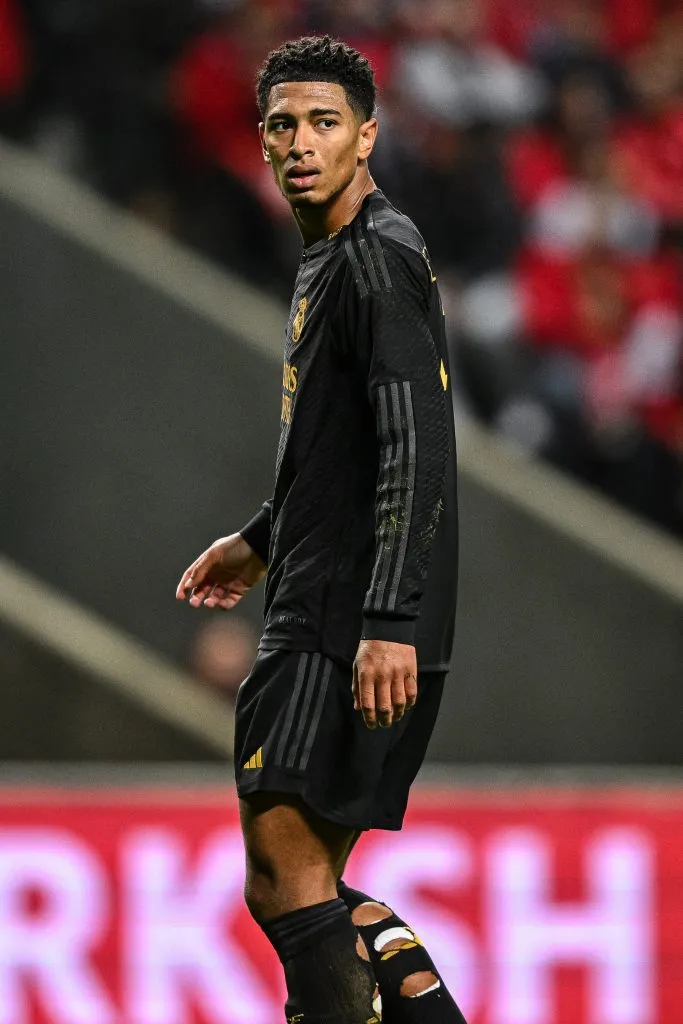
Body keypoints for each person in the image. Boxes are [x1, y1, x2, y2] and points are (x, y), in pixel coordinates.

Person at [176, 35, 464, 1024]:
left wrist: (386, 614)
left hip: (345, 621)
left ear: (366, 135)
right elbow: (338, 442)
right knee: (306, 886)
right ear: (260, 140)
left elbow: (411, 440)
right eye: (282, 124)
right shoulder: (334, 256)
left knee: (285, 876)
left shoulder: (376, 256)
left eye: (323, 122)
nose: (300, 142)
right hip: (337, 601)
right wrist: (261, 534)